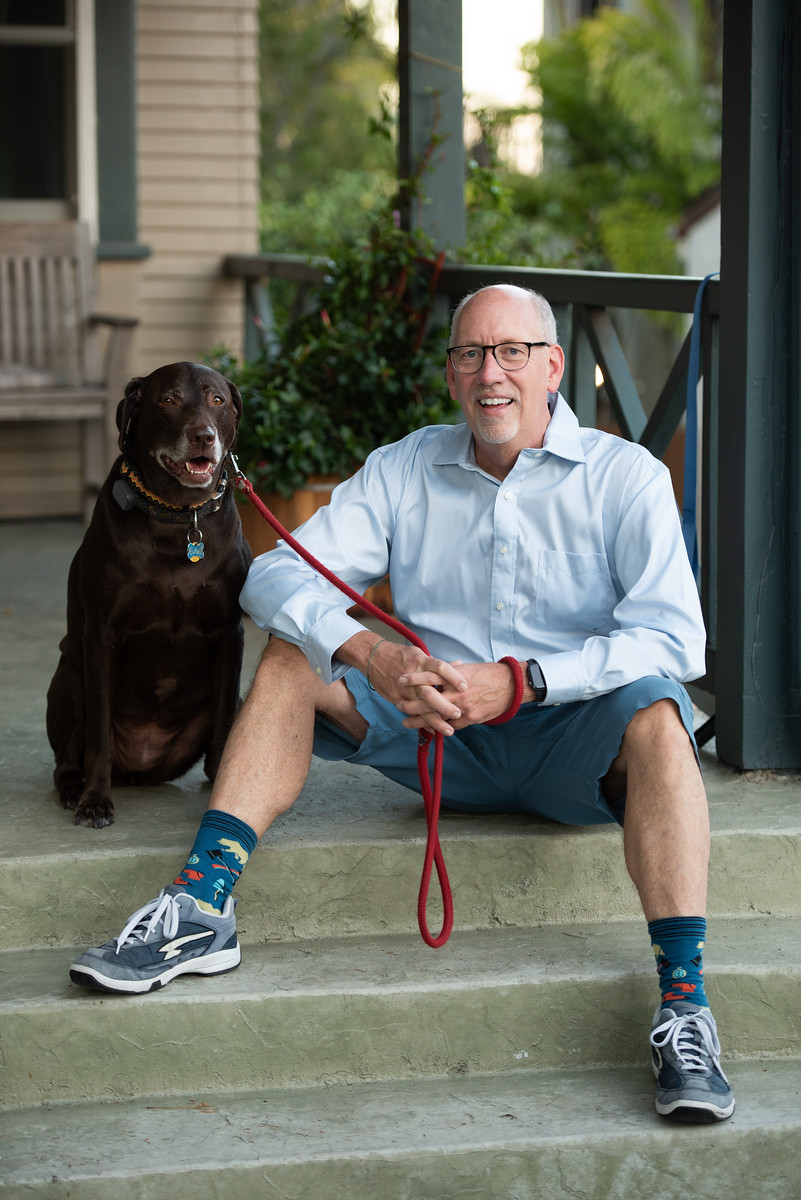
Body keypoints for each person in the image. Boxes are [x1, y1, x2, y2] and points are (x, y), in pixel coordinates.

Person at [70, 284, 734, 1123]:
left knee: (658, 710)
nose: (490, 373)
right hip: (431, 736)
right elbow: (273, 575)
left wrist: (523, 680)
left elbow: (675, 640)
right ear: (450, 374)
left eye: (513, 352)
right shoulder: (404, 467)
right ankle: (201, 906)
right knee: (294, 650)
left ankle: (683, 1006)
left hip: (568, 743)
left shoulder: (623, 476)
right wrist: (370, 653)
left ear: (553, 367)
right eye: (470, 354)